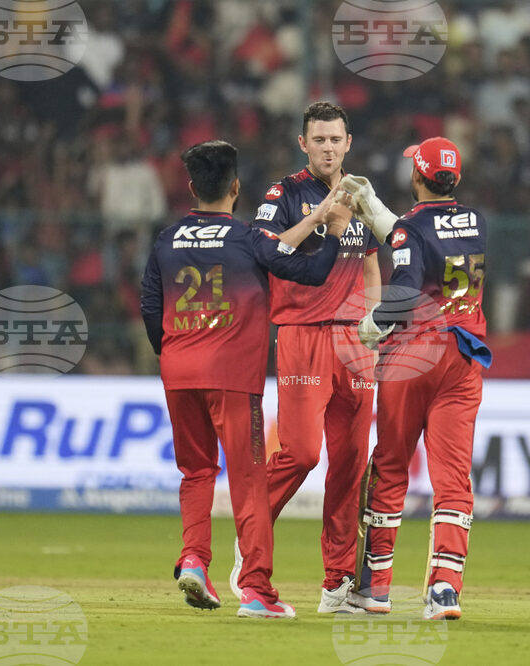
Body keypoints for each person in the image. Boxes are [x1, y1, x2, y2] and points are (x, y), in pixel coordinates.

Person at [140, 140, 353, 618]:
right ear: (235, 188)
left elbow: (150, 305)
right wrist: (335, 234)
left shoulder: (167, 239)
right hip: (232, 376)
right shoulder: (248, 239)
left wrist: (170, 351)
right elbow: (312, 273)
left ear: (191, 187)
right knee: (249, 480)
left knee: (196, 472)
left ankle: (194, 559)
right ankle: (256, 590)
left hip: (178, 372)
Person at [234, 101, 381, 613]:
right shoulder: (284, 193)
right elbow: (266, 248)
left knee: (350, 466)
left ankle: (337, 582)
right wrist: (319, 216)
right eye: (319, 139)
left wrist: (375, 328)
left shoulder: (362, 196)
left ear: (348, 143)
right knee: (300, 453)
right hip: (303, 335)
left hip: (355, 344)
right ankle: (249, 539)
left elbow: (370, 266)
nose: (328, 148)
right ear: (303, 144)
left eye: (335, 139)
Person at [348, 137, 489, 620]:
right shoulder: (477, 222)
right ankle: (445, 588)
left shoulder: (411, 229)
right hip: (464, 357)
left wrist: (372, 324)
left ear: (416, 176)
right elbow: (421, 237)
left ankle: (376, 588)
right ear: (456, 178)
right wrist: (376, 210)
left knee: (390, 466)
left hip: (413, 356)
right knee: (453, 477)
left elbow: (406, 281)